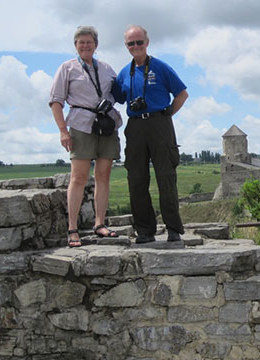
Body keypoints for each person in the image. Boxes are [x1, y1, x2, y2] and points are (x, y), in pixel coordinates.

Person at [113, 25, 188, 243]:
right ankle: (145, 231)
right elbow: (116, 96)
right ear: (126, 46)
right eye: (130, 43)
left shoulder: (161, 67)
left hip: (159, 124)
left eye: (139, 42)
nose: (135, 46)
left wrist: (168, 113)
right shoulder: (124, 73)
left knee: (166, 177)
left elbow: (182, 94)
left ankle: (174, 229)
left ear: (147, 42)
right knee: (136, 178)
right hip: (135, 126)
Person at [49, 26, 123, 247]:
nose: (85, 45)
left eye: (89, 41)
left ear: (96, 44)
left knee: (103, 175)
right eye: (81, 42)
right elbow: (55, 101)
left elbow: (119, 93)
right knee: (78, 177)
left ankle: (99, 224)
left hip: (106, 124)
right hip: (81, 125)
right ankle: (72, 228)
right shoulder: (67, 68)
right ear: (75, 45)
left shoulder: (107, 68)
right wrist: (63, 130)